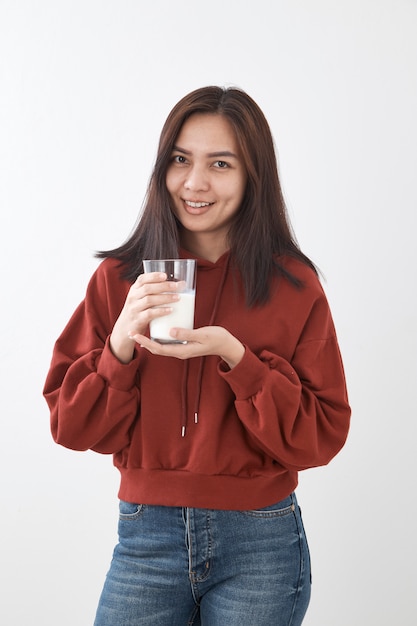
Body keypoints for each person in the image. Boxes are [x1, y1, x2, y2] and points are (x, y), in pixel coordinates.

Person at [43, 85, 351, 626]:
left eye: (221, 163)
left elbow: (321, 436)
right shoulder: (121, 280)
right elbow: (71, 427)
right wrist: (119, 343)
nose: (195, 182)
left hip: (261, 541)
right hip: (146, 537)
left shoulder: (295, 285)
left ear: (253, 176)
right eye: (181, 159)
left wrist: (239, 358)